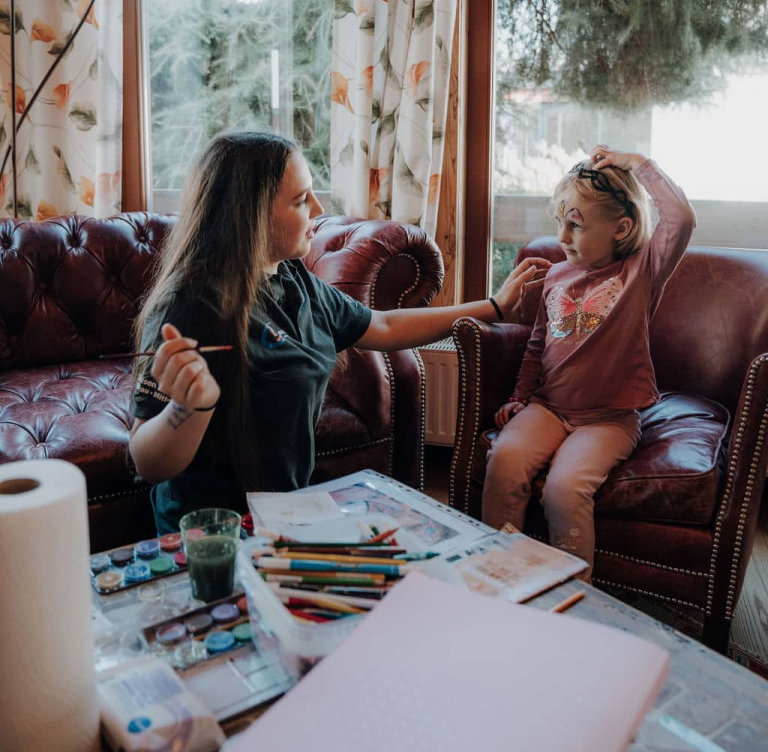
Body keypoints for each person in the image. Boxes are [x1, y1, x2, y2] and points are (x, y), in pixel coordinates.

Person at [129, 132, 551, 534]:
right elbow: (148, 462)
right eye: (300, 200)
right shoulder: (191, 305)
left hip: (283, 514)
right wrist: (191, 407)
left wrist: (494, 307)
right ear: (250, 215)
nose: (317, 206)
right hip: (212, 535)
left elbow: (381, 325)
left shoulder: (292, 276)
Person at [482, 144, 696, 579]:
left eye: (575, 225)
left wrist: (640, 166)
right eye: (559, 222)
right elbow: (538, 345)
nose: (562, 236)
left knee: (564, 488)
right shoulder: (557, 276)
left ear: (621, 228)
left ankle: (573, 593)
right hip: (548, 408)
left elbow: (681, 219)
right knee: (504, 463)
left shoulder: (641, 271)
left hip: (609, 420)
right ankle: (498, 574)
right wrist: (521, 397)